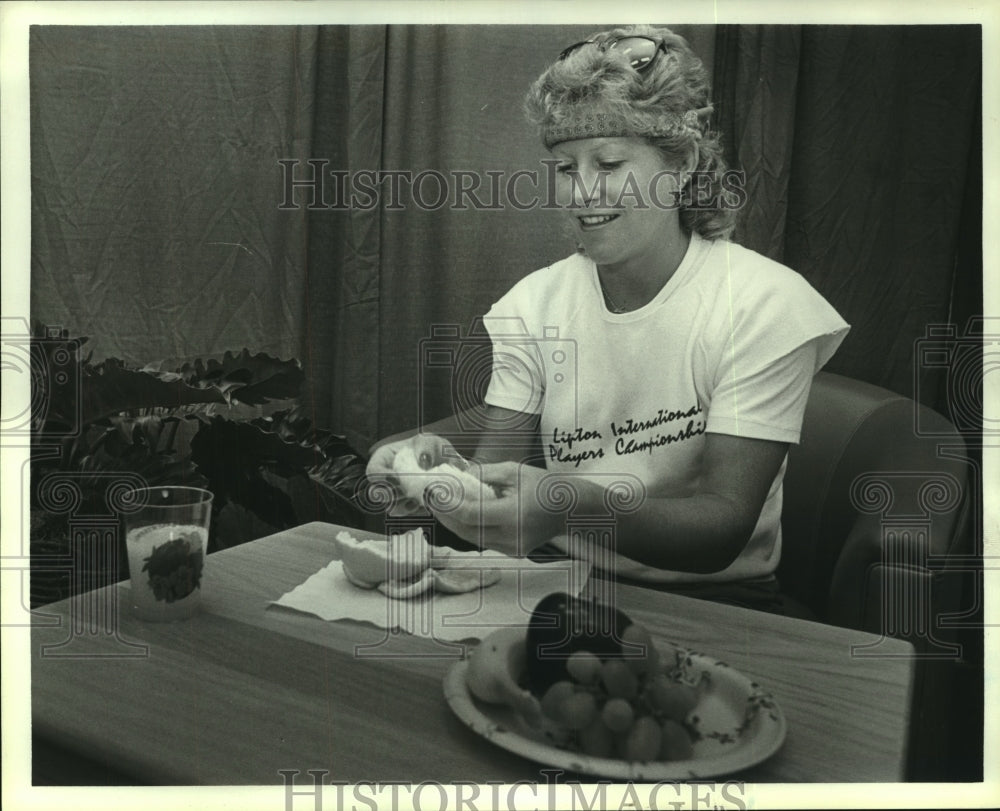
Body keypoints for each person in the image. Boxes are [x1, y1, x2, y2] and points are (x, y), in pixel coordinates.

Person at [366, 25, 849, 612]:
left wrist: (569, 504)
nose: (582, 192)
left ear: (683, 165)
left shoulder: (764, 304)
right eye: (567, 169)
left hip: (719, 601)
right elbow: (494, 480)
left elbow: (721, 532)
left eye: (611, 161)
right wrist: (440, 478)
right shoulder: (534, 304)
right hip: (557, 584)